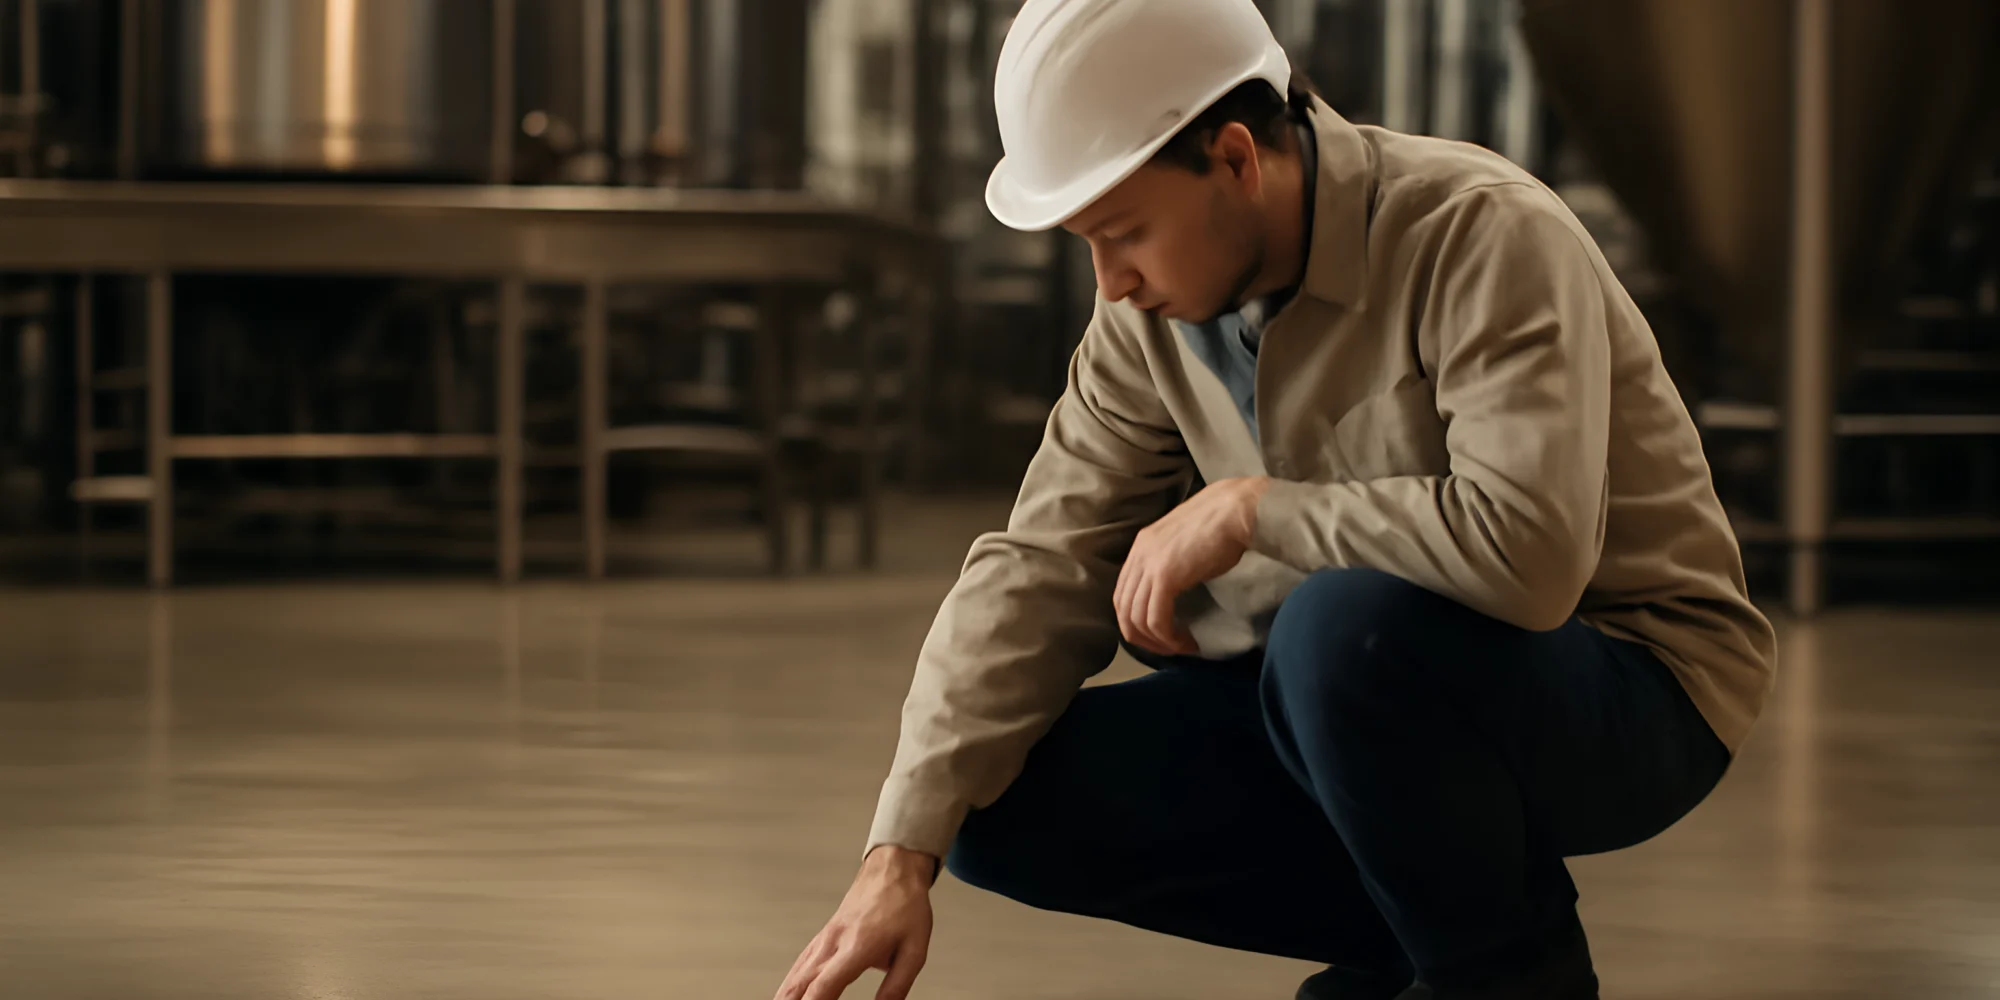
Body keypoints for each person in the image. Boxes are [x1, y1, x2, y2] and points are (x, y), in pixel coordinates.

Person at [775, 0, 1777, 997]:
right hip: (1342, 695)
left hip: (1626, 688)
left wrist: (1255, 510)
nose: (1111, 280)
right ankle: (1419, 951)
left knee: (1340, 625)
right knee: (986, 795)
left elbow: (1532, 555)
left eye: (1122, 231)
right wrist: (895, 855)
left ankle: (1504, 976)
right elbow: (1042, 559)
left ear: (1236, 159)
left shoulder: (1475, 233)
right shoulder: (1145, 317)